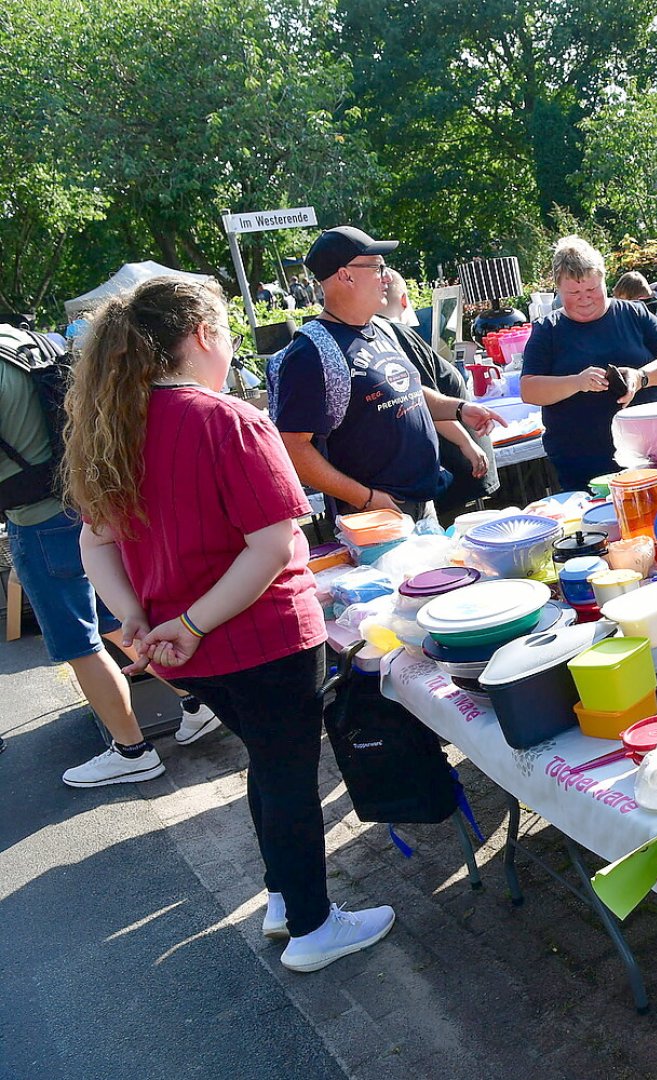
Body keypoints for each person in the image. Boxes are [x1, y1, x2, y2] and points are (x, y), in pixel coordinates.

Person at [66, 275, 395, 972]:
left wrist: (140, 618)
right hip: (262, 639)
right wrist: (185, 620)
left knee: (270, 768)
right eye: (227, 335)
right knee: (288, 778)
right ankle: (311, 926)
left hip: (187, 653)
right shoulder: (228, 420)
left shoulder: (115, 425)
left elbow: (94, 543)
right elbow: (273, 545)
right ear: (203, 337)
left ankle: (283, 897)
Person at [0, 325, 218, 789]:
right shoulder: (24, 340)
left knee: (80, 644)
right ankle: (199, 703)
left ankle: (132, 750)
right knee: (116, 619)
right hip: (89, 499)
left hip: (38, 521)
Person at [270, 226, 503, 521]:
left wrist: (459, 409)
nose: (387, 277)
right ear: (345, 275)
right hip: (374, 519)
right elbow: (293, 446)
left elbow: (407, 390)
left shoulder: (380, 327)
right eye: (378, 267)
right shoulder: (310, 352)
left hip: (422, 504)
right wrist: (367, 499)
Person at [520, 237, 657, 491]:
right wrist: (577, 382)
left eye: (592, 290)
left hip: (651, 455)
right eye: (574, 293)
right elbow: (529, 390)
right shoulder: (548, 330)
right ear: (558, 289)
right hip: (584, 463)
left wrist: (641, 377)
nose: (584, 299)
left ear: (604, 280)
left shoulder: (634, 313)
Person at [378, 268, 498, 524]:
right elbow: (422, 403)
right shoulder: (399, 336)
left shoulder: (387, 337)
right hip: (451, 466)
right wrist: (467, 443)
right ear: (404, 300)